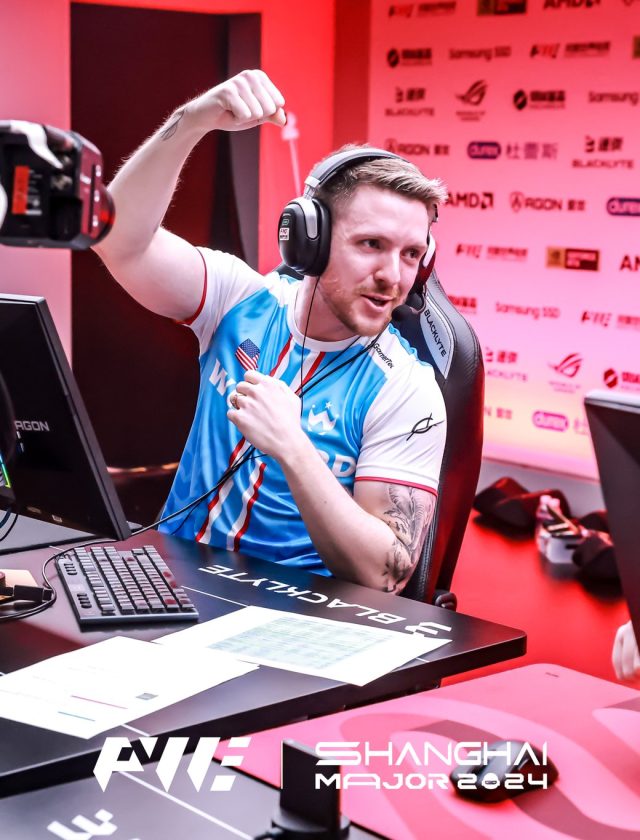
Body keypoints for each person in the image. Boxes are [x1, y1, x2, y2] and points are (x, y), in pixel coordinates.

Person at [94, 69, 447, 594]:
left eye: (411, 254)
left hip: (290, 617)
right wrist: (192, 122)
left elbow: (387, 574)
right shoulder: (239, 299)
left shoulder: (406, 389)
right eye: (371, 244)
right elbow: (116, 238)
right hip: (164, 586)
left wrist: (293, 447)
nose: (393, 276)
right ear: (310, 240)